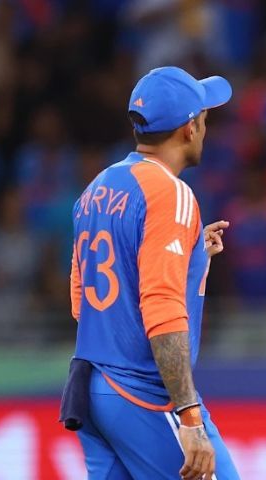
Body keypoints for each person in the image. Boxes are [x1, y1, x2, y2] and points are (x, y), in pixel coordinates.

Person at [65, 66, 240, 480]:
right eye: (204, 117)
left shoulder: (97, 188)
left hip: (93, 388)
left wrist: (192, 259)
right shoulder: (171, 193)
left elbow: (81, 303)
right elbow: (161, 308)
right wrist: (190, 418)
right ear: (189, 128)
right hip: (145, 394)